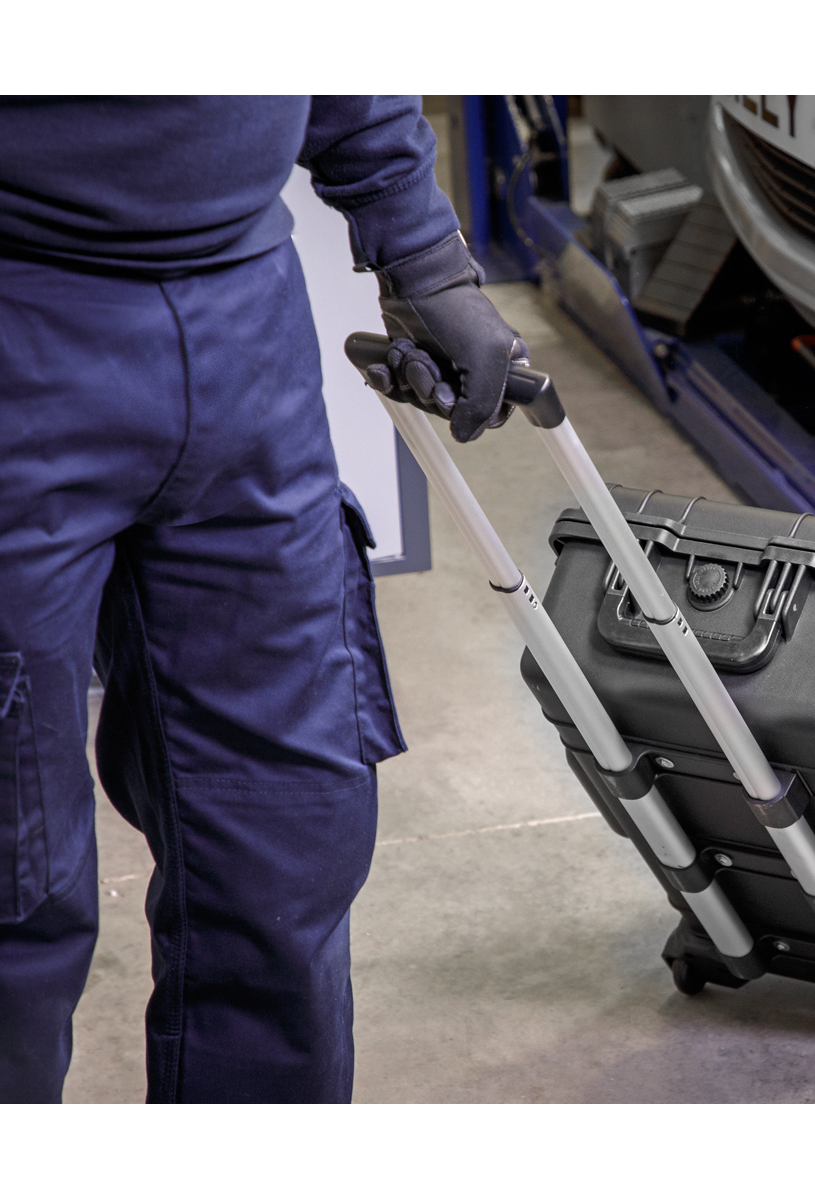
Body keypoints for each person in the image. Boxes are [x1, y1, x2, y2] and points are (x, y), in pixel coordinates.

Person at [0, 96, 523, 1103]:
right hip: (24, 314)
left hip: (245, 323)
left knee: (280, 848)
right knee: (13, 889)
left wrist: (420, 244)